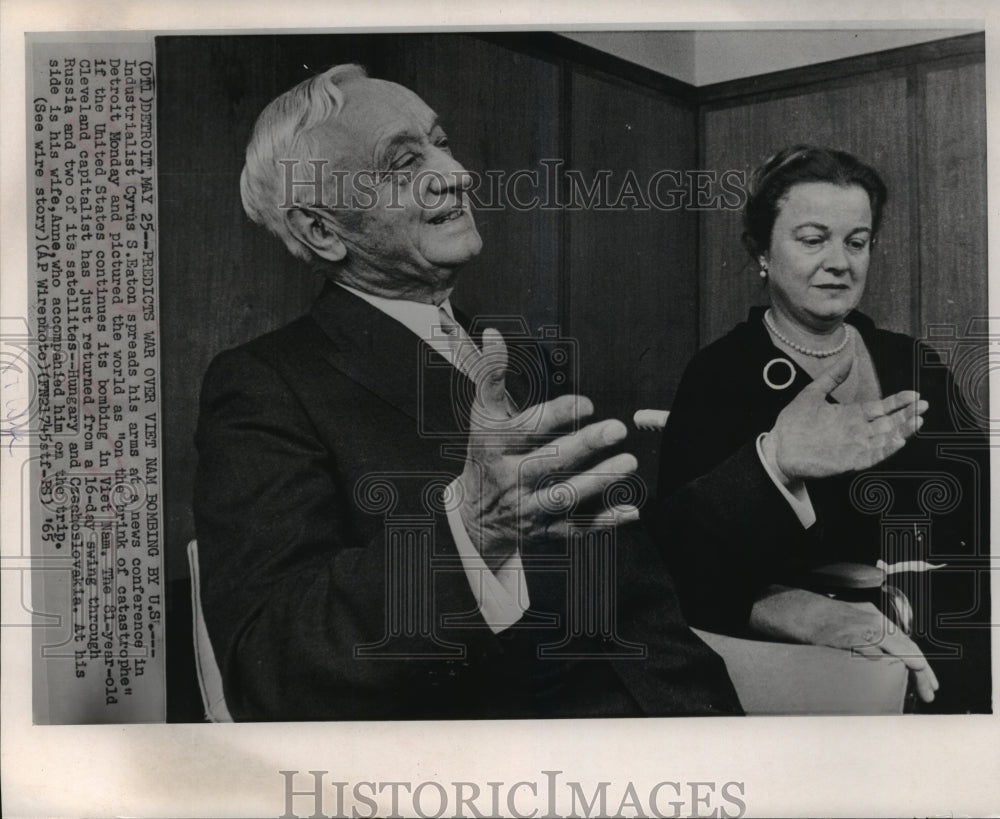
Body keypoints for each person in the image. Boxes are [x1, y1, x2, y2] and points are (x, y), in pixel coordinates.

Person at [194, 70, 924, 721]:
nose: (456, 172)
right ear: (322, 230)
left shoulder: (526, 355)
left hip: (691, 727)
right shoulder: (266, 384)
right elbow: (269, 668)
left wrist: (775, 462)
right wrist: (469, 534)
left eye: (441, 142)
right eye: (404, 162)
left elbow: (640, 561)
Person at [654, 145, 990, 713]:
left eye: (856, 242)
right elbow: (680, 562)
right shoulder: (720, 374)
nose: (840, 261)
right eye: (813, 240)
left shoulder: (914, 362)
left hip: (960, 627)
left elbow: (983, 513)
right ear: (762, 250)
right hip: (823, 658)